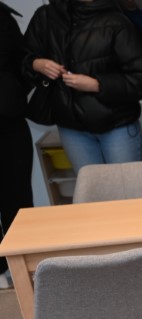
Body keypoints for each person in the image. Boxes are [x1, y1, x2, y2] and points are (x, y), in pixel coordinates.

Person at [22, 0, 142, 173]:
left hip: (117, 126)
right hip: (71, 129)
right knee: (91, 188)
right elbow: (20, 60)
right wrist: (36, 64)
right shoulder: (46, 17)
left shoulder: (117, 20)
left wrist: (98, 85)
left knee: (126, 187)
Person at [0, 0, 32, 281]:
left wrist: (12, 93)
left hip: (9, 122)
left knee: (18, 200)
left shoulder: (3, 17)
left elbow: (23, 62)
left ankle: (24, 271)